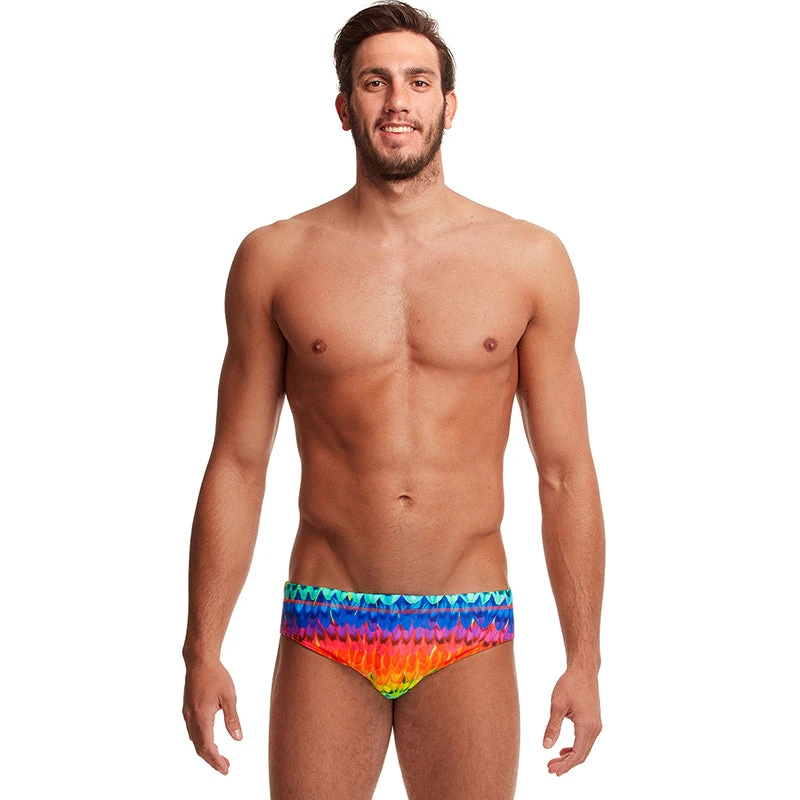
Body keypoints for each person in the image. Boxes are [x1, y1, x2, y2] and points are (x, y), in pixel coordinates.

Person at [181, 2, 604, 797]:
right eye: (375, 83)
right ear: (345, 108)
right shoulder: (275, 259)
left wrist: (585, 658)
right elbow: (237, 463)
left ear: (450, 104)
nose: (398, 101)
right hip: (327, 617)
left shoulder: (529, 260)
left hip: (466, 620)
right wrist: (201, 648)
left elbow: (564, 471)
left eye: (418, 81)